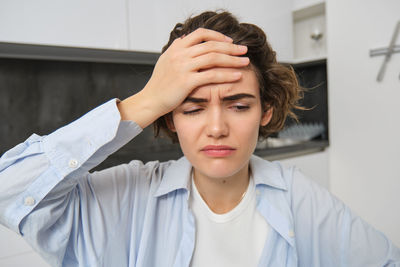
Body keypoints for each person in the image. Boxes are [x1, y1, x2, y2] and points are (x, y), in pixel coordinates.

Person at [0, 10, 399, 267]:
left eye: (239, 105)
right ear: (170, 118)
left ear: (267, 111)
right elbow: (9, 191)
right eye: (191, 108)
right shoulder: (126, 200)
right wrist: (146, 100)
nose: (216, 127)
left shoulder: (302, 200)